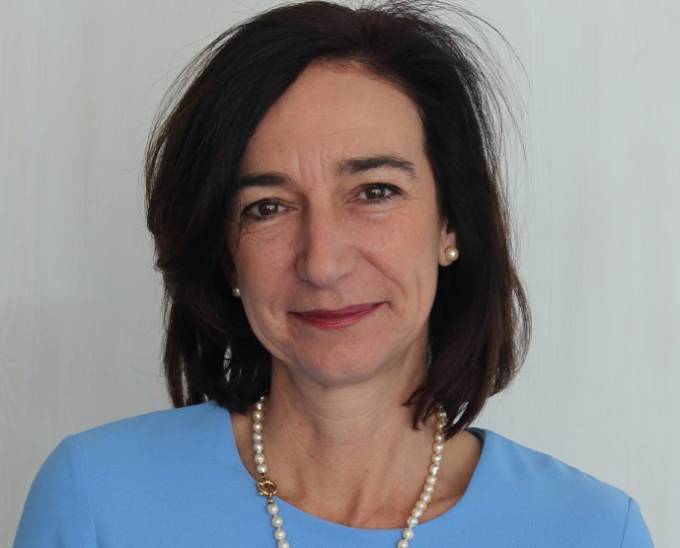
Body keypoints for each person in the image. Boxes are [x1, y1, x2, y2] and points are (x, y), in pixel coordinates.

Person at [13, 1, 654, 546]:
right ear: (226, 253)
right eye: (268, 207)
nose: (322, 263)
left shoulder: (593, 531)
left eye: (375, 192)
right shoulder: (95, 499)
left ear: (451, 224)